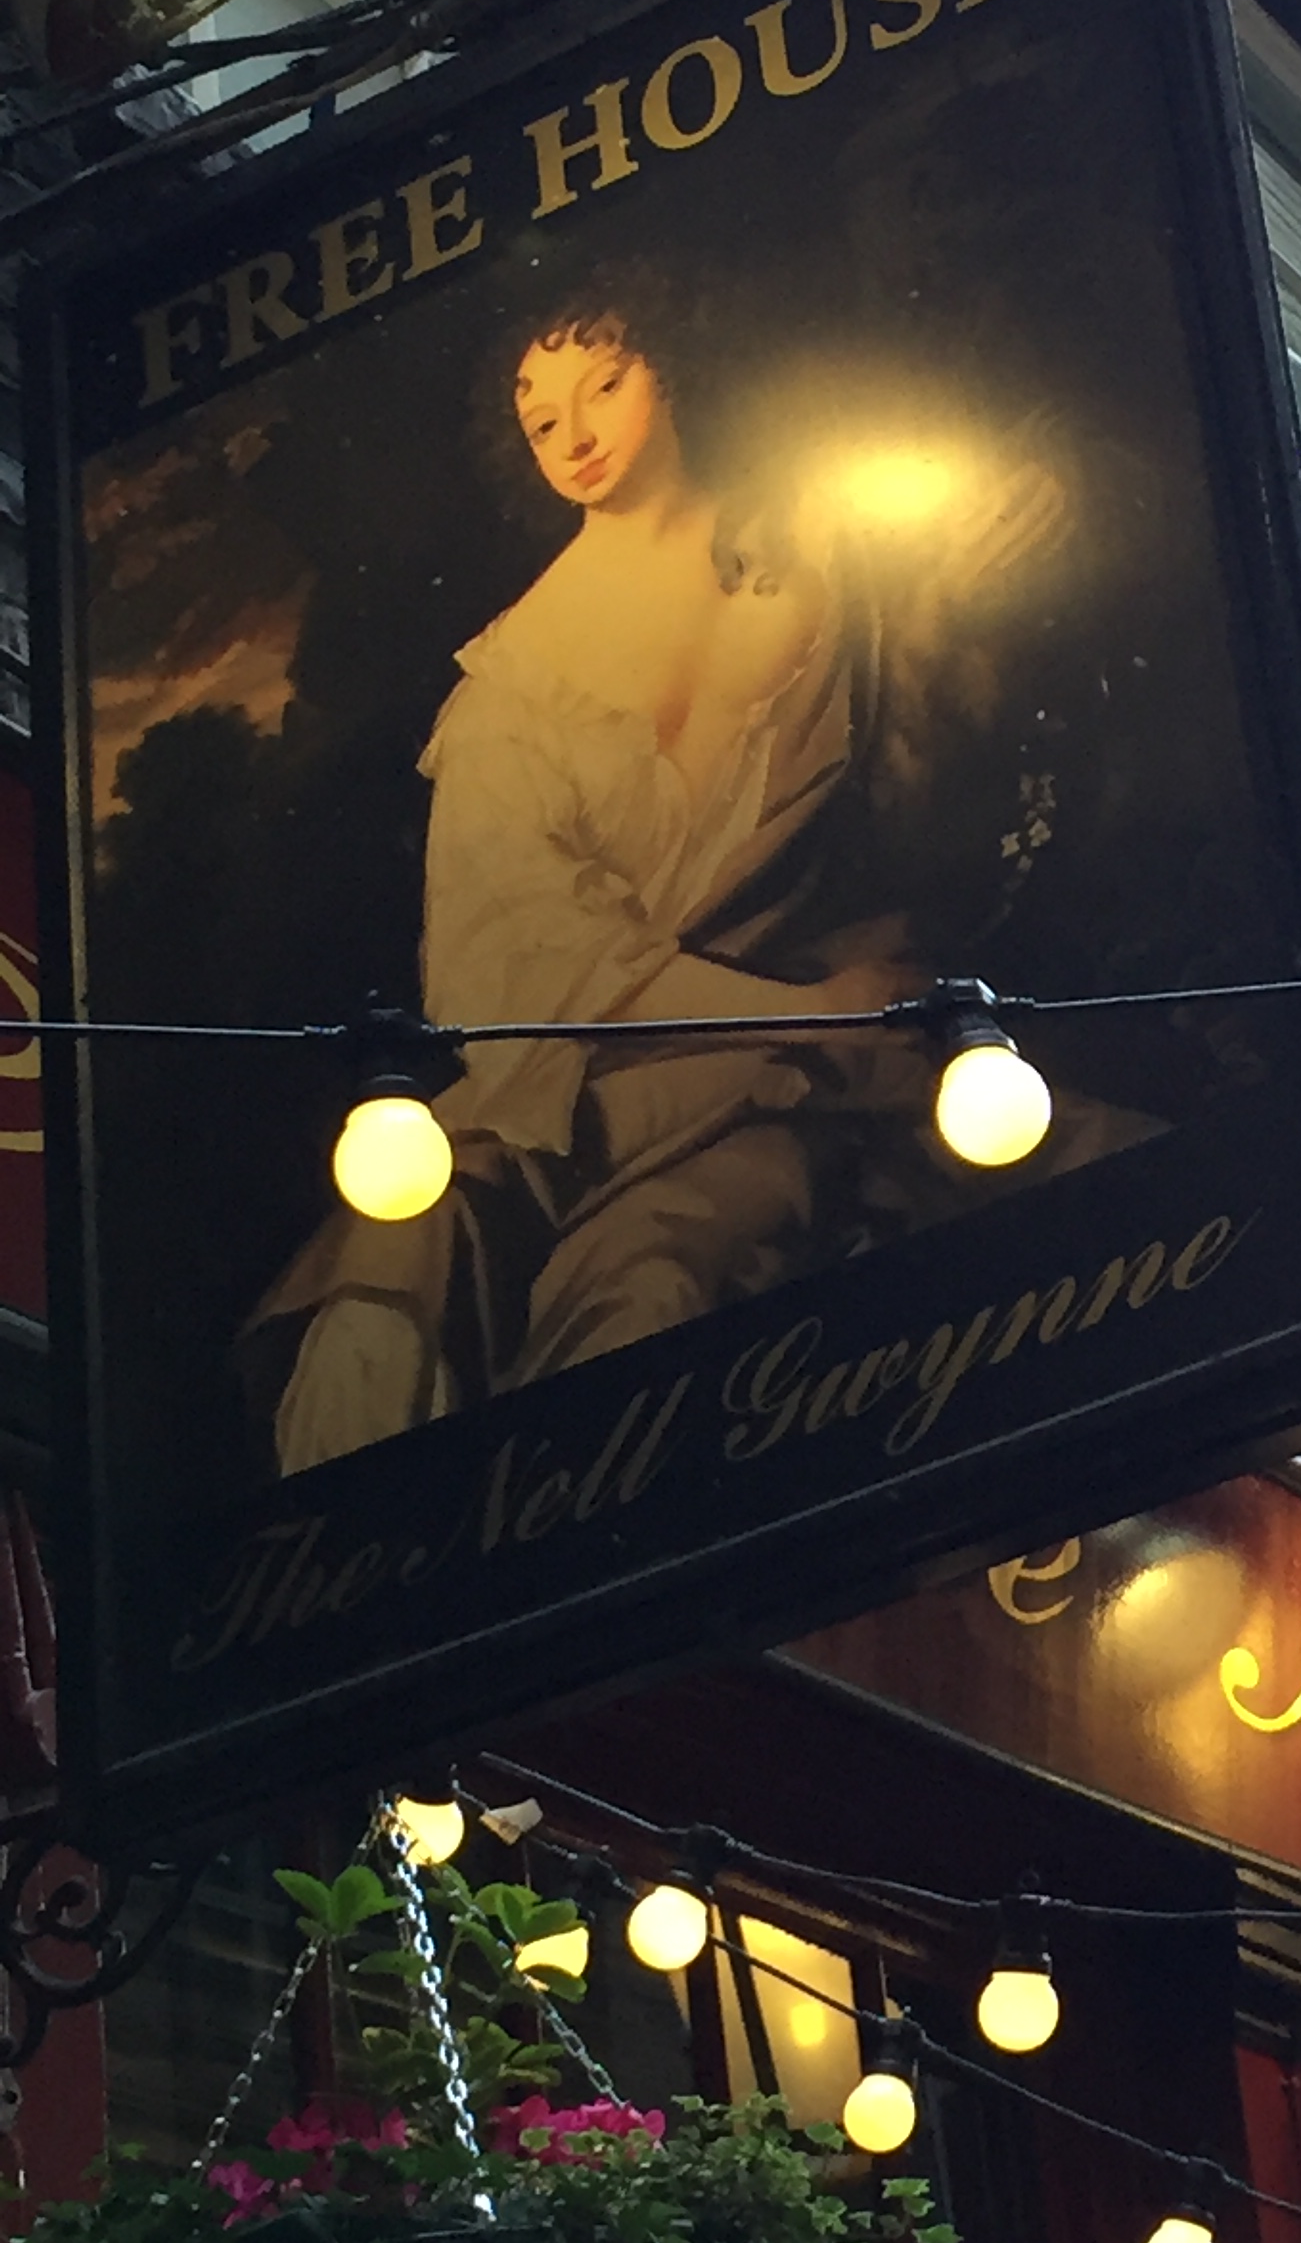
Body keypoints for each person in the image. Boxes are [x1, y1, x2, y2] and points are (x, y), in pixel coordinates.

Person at [251, 273, 1117, 1473]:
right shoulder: (511, 694)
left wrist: (1029, 521)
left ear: (674, 366)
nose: (576, 436)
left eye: (605, 382)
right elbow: (528, 969)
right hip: (600, 1078)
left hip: (839, 1044)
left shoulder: (833, 540)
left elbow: (945, 755)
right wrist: (811, 1014)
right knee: (406, 1293)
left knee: (667, 1280)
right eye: (540, 419)